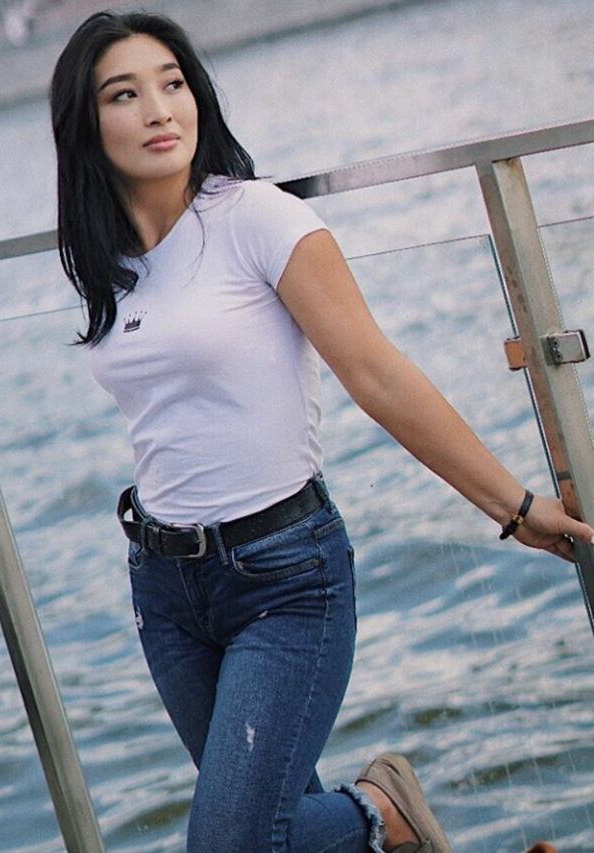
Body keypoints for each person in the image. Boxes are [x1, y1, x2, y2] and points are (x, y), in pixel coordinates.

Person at [50, 11, 593, 853]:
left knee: (229, 843)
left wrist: (516, 507)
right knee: (268, 835)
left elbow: (379, 377)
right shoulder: (106, 260)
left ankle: (382, 811)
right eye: (124, 94)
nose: (159, 109)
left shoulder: (259, 219)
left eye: (173, 83)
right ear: (86, 125)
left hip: (283, 576)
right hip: (164, 588)